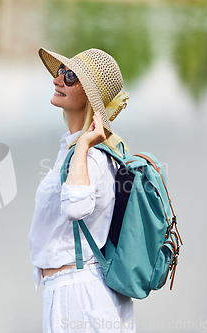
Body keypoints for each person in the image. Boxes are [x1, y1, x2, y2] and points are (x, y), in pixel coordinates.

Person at [29, 47, 136, 333]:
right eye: (61, 71)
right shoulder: (76, 149)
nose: (58, 79)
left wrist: (85, 145)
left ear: (89, 95)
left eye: (71, 76)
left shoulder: (90, 154)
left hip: (77, 296)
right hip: (79, 290)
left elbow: (75, 207)